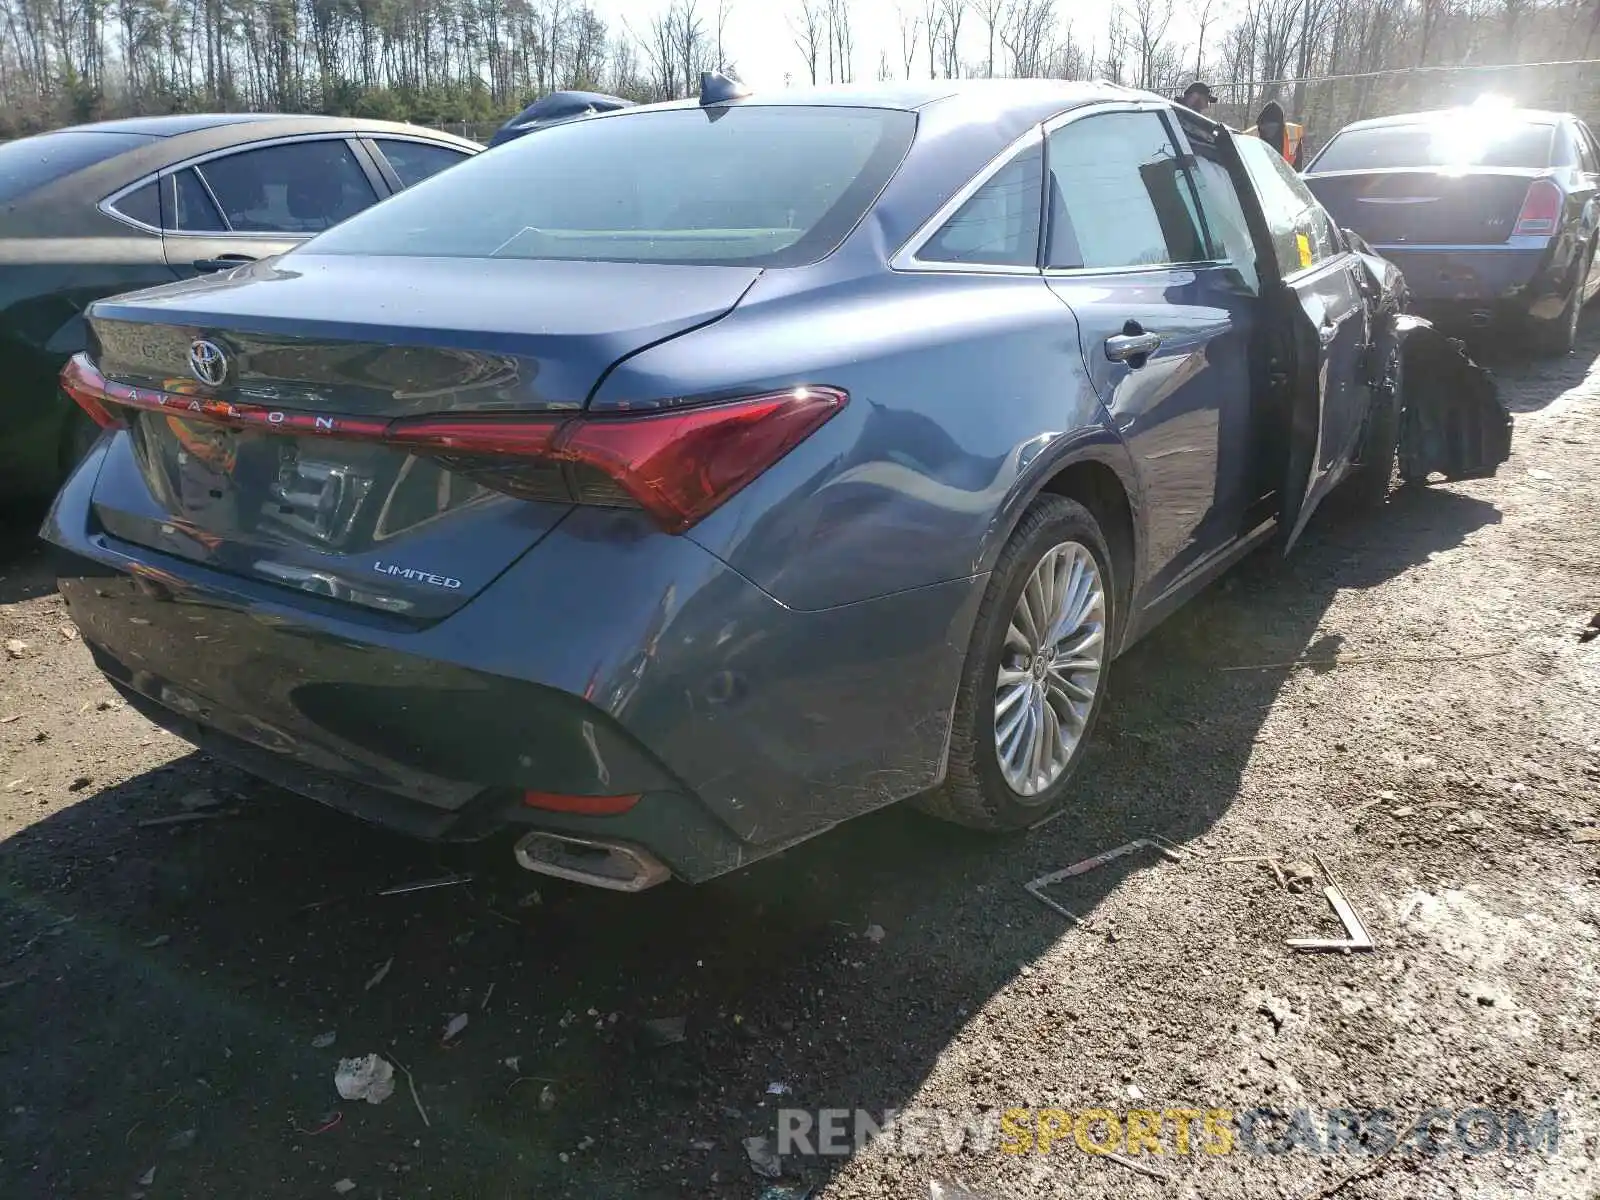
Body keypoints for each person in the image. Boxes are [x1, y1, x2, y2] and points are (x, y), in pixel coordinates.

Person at [1247, 100, 1306, 170]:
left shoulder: (1293, 134)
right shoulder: (1248, 137)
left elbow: (1298, 165)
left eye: (1273, 126)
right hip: (1258, 178)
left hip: (1283, 178)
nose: (1270, 129)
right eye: (1267, 126)